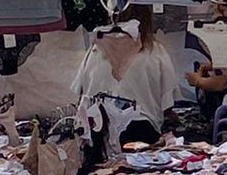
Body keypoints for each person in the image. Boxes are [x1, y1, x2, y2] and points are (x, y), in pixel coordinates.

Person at [72, 9, 181, 143]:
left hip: (98, 130)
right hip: (141, 129)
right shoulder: (155, 52)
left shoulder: (95, 51)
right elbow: (167, 104)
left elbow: (80, 94)